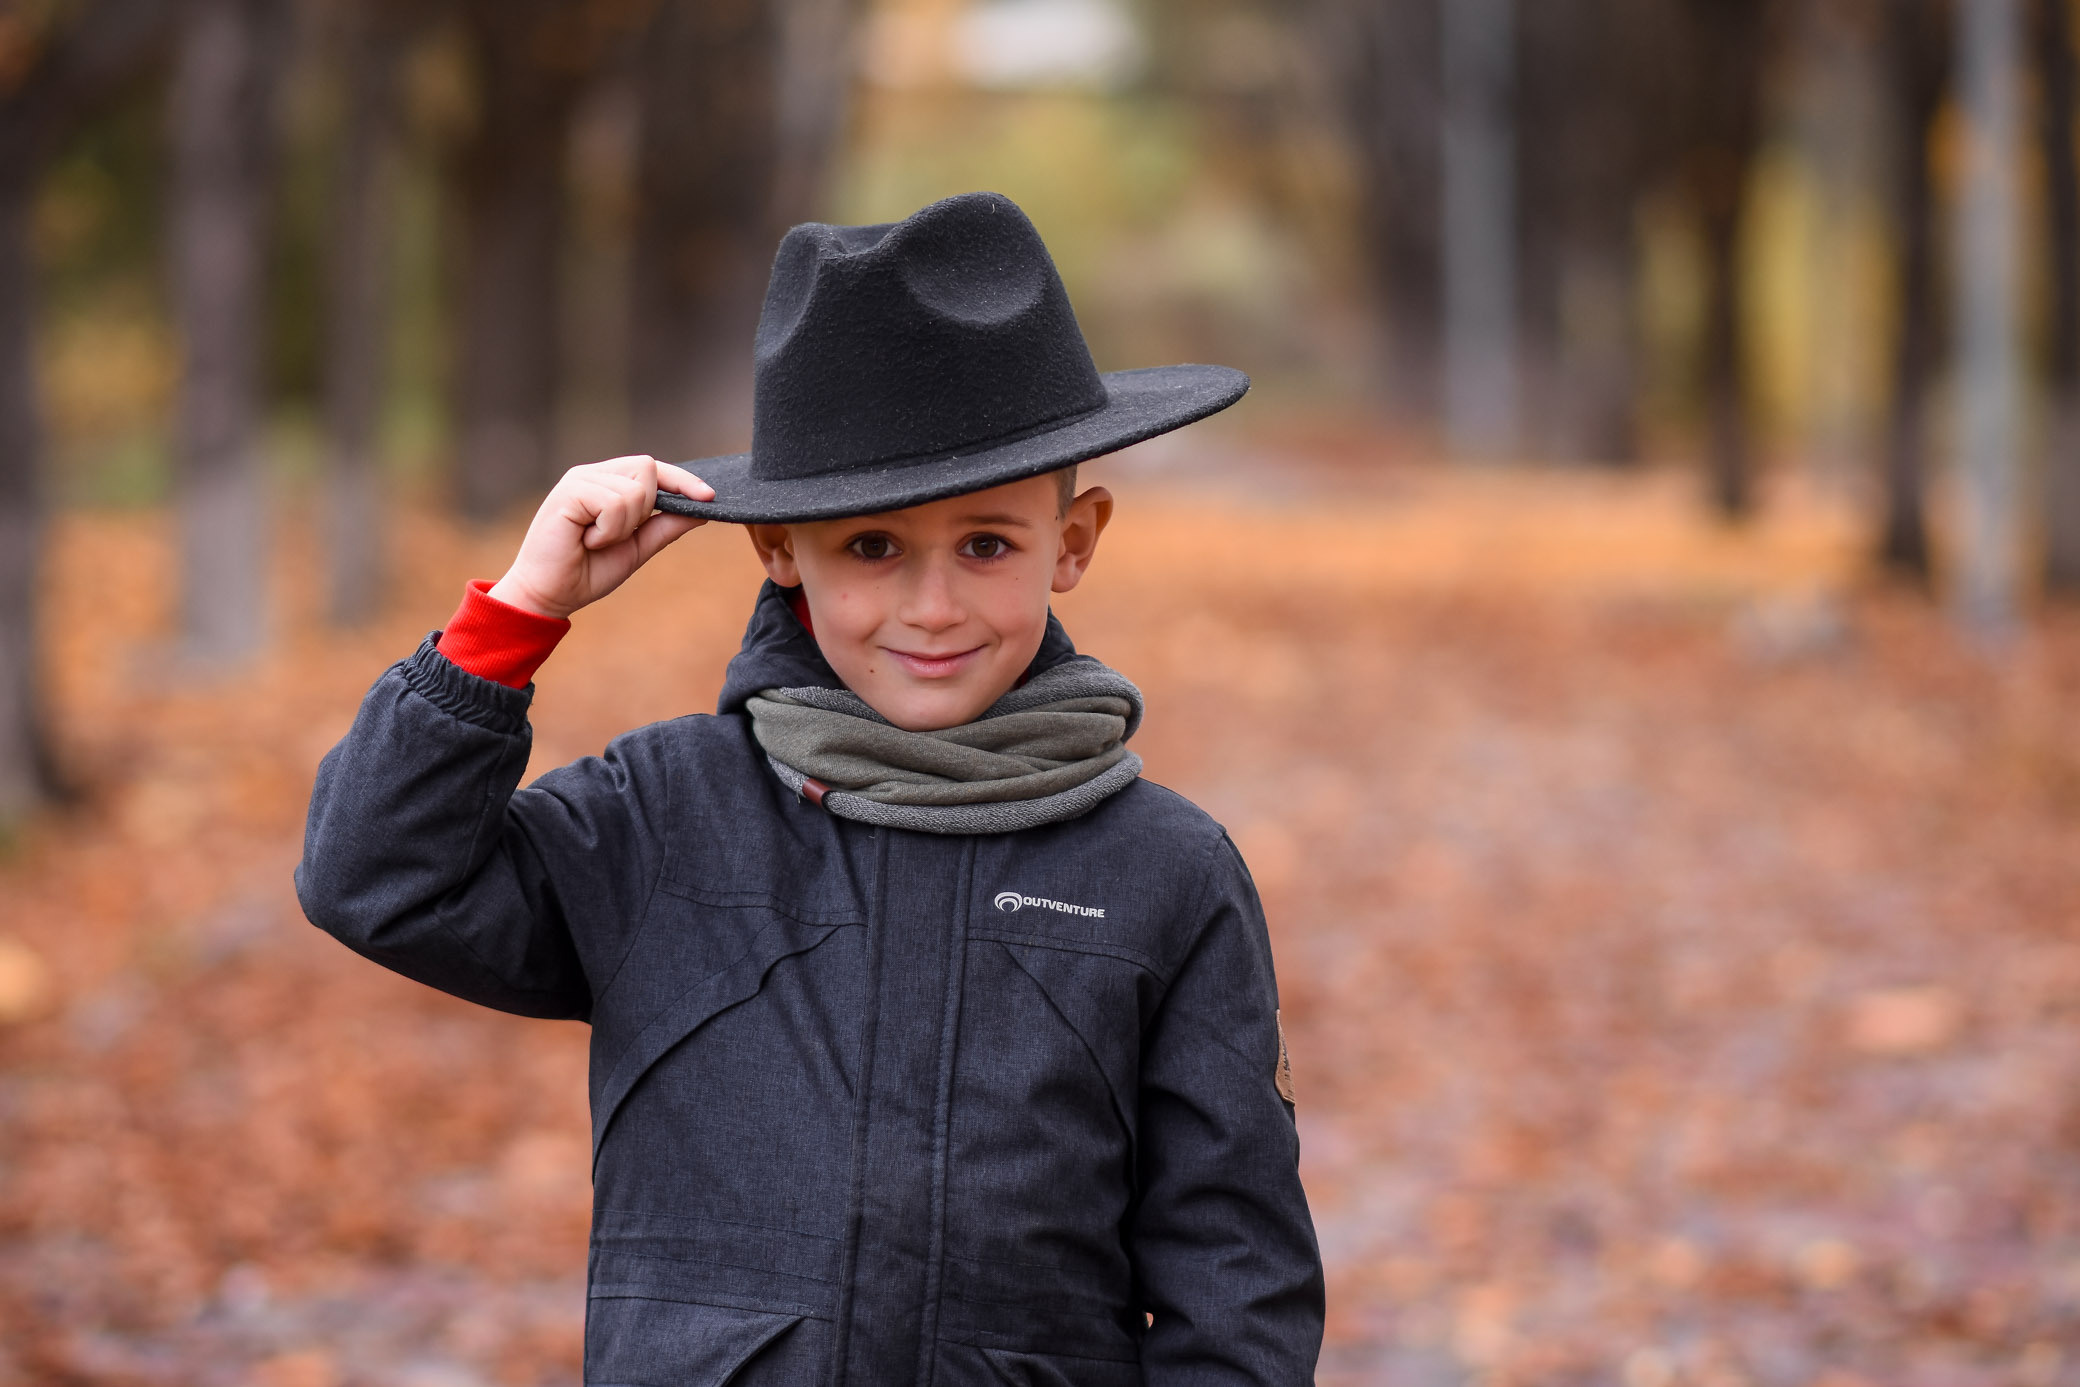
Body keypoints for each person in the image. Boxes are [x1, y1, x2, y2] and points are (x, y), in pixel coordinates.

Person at [298, 191, 1323, 1385]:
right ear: (780, 549)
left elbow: (1234, 1281)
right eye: (871, 547)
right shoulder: (663, 815)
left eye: (986, 544)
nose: (931, 607)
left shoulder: (1165, 872)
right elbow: (377, 878)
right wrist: (517, 616)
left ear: (1075, 539)